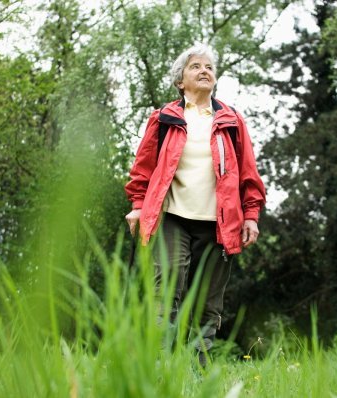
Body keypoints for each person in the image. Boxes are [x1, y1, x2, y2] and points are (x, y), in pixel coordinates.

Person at [124, 44, 266, 366]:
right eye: (195, 67)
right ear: (180, 80)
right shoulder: (165, 118)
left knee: (207, 303)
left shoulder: (230, 120)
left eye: (209, 67)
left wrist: (251, 215)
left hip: (219, 224)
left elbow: (247, 171)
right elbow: (143, 168)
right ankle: (161, 369)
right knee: (165, 294)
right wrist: (137, 204)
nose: (204, 71)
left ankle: (198, 373)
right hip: (173, 217)